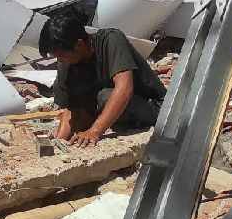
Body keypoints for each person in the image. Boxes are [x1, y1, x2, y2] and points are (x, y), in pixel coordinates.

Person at [39, 13, 166, 147]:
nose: (60, 60)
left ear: (79, 45)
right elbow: (73, 109)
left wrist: (94, 131)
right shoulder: (68, 64)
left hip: (153, 107)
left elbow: (124, 89)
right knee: (87, 107)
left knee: (105, 96)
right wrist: (59, 142)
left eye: (61, 55)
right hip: (115, 111)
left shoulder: (111, 40)